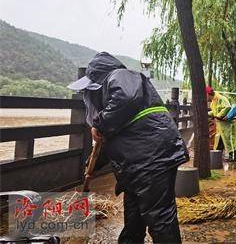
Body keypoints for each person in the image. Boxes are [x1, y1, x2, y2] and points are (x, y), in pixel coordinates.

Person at [67, 52, 187, 243]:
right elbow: (113, 141)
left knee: (160, 218)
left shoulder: (120, 75)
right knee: (134, 218)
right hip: (138, 163)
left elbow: (127, 97)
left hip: (152, 157)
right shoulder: (115, 111)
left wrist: (100, 123)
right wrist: (92, 164)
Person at [206, 86, 236, 162]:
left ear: (208, 94)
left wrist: (218, 115)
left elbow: (227, 107)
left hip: (228, 124)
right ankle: (216, 158)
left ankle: (233, 157)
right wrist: (208, 114)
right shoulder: (213, 102)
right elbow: (215, 112)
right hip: (221, 125)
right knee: (220, 141)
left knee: (230, 140)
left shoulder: (221, 99)